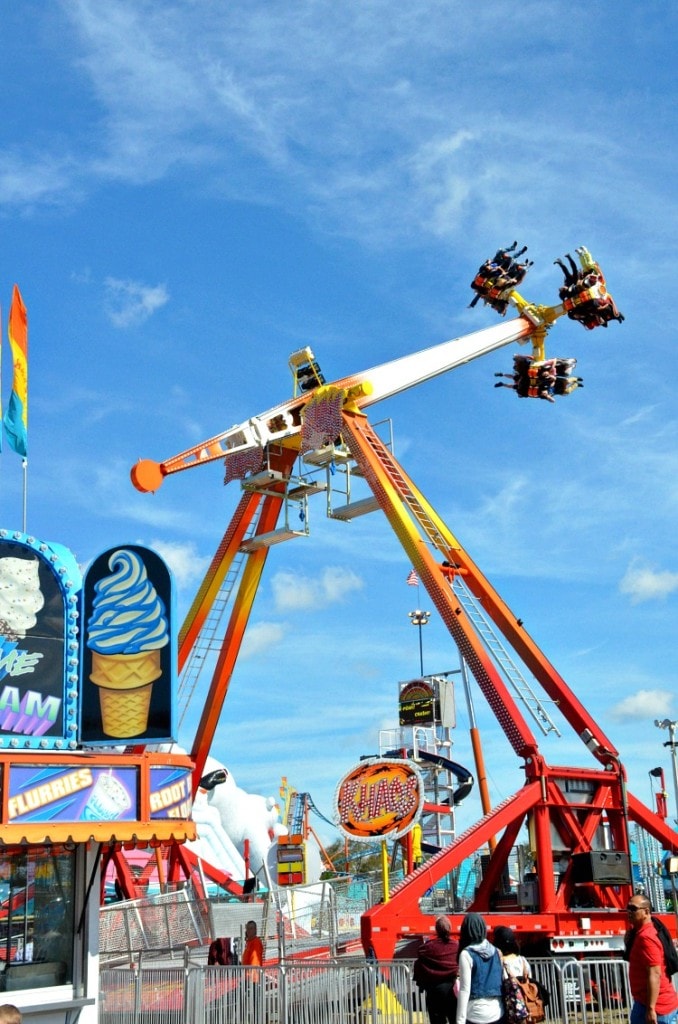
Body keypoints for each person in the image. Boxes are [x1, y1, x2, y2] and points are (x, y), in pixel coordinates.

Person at [625, 895, 678, 1024]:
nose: (629, 912)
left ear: (646, 912)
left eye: (633, 909)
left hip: (655, 1007)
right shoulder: (645, 931)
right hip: (650, 1003)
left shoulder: (646, 937)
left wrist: (651, 1009)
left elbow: (655, 973)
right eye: (628, 908)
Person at [456, 913, 503, 1024]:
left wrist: (460, 1021)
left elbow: (464, 990)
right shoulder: (497, 951)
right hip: (498, 1011)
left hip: (475, 1013)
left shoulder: (466, 954)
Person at [414, 915, 460, 1024]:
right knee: (455, 1019)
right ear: (449, 928)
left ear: (436, 929)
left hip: (434, 992)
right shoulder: (456, 946)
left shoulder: (427, 947)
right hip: (452, 991)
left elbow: (420, 958)